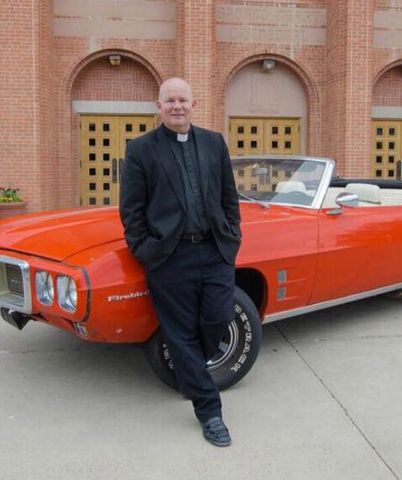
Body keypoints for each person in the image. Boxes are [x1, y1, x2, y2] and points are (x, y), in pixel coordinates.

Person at [119, 78, 241, 447]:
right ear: (158, 106)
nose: (177, 106)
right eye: (169, 100)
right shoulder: (140, 150)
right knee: (179, 333)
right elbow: (131, 210)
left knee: (219, 316)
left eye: (183, 100)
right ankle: (210, 411)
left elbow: (228, 195)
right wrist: (145, 250)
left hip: (215, 249)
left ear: (194, 104)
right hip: (169, 257)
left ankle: (191, 374)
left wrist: (232, 236)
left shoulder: (213, 142)